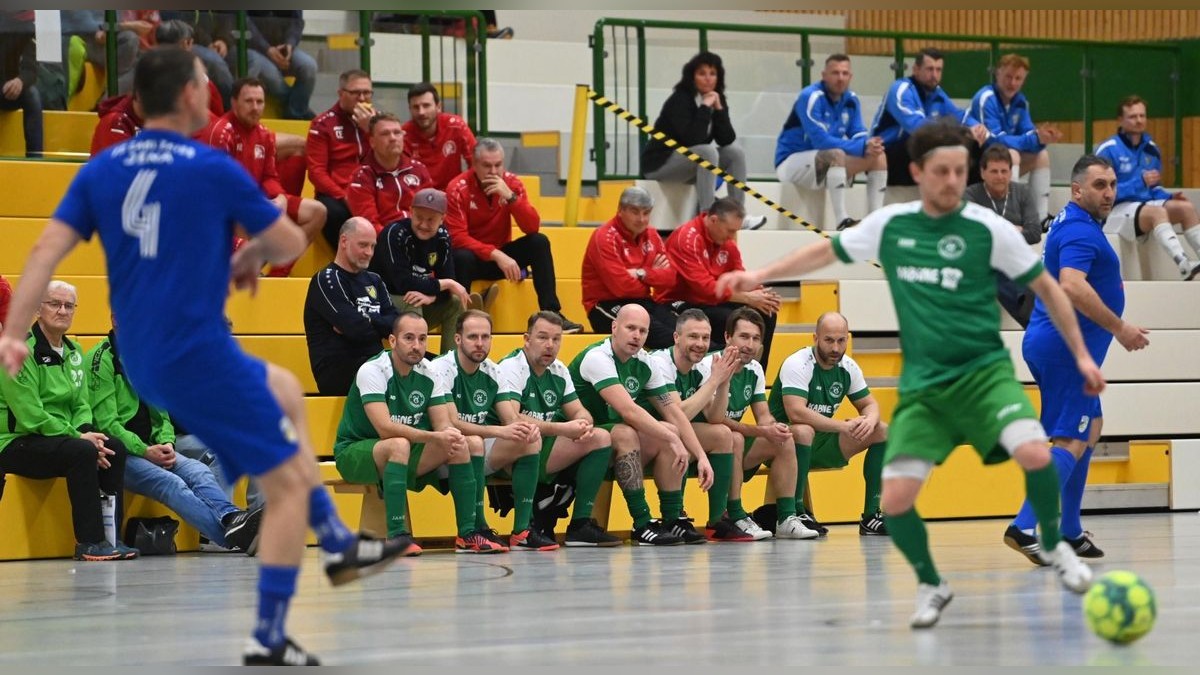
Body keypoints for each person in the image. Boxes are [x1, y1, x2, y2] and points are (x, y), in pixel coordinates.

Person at [0, 49, 411, 665]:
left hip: (141, 347)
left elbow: (42, 254)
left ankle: (318, 564)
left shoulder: (104, 168)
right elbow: (289, 240)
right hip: (189, 343)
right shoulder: (208, 166)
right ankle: (312, 576)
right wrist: (269, 243)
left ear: (137, 103)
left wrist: (12, 333)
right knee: (283, 468)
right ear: (194, 97)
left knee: (286, 402)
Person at [716, 119, 1100, 629]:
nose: (950, 180)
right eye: (941, 170)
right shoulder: (892, 224)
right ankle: (932, 583)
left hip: (984, 373)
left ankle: (1055, 546)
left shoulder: (989, 230)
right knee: (896, 501)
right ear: (918, 171)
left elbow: (1049, 290)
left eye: (960, 171)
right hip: (926, 385)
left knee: (1035, 451)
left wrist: (1082, 355)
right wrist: (759, 276)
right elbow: (826, 249)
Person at [1005, 155, 1150, 566]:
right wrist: (1120, 328)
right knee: (1071, 436)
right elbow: (1072, 285)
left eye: (1112, 185)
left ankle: (1069, 530)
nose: (1109, 193)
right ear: (1077, 189)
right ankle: (1024, 525)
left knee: (1092, 426)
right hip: (1066, 351)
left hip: (1060, 347)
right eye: (1100, 185)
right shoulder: (1080, 232)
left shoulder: (1073, 223)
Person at [87, 322, 265, 554]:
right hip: (119, 454)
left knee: (199, 471)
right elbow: (107, 424)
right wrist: (144, 450)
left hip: (153, 447)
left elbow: (162, 416)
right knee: (173, 484)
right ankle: (235, 537)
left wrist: (167, 443)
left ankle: (234, 520)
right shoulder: (101, 360)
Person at [0, 280, 137, 561]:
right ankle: (89, 542)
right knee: (82, 451)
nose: (62, 311)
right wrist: (77, 436)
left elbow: (81, 404)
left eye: (68, 305)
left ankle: (112, 538)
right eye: (54, 304)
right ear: (38, 308)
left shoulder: (74, 352)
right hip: (16, 442)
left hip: (62, 438)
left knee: (113, 447)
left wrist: (87, 431)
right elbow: (30, 415)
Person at [568, 304, 715, 546]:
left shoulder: (645, 362)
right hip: (577, 442)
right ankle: (642, 523)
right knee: (629, 433)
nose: (637, 336)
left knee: (670, 429)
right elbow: (629, 411)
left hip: (609, 442)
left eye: (643, 331)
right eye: (631, 328)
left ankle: (672, 519)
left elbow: (673, 412)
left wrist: (700, 455)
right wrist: (673, 440)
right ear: (614, 328)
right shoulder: (598, 357)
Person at [332, 311, 475, 555]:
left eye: (422, 339)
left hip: (405, 450)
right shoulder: (373, 370)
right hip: (356, 449)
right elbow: (385, 428)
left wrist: (448, 434)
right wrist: (433, 437)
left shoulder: (430, 371)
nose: (416, 346)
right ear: (392, 341)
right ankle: (397, 536)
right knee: (398, 444)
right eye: (409, 338)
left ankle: (468, 534)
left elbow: (442, 423)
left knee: (461, 443)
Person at [429, 309, 559, 551]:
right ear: (458, 339)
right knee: (474, 441)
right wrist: (500, 432)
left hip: (471, 448)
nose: (480, 343)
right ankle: (475, 528)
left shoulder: (493, 371)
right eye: (472, 337)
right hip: (438, 452)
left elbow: (509, 416)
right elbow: (452, 423)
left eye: (485, 337)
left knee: (529, 439)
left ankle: (522, 530)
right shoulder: (441, 368)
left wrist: (523, 428)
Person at [496, 311, 620, 546]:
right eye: (542, 338)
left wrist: (583, 423)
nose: (550, 345)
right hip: (508, 450)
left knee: (601, 437)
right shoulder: (512, 366)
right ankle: (530, 522)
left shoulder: (559, 370)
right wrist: (564, 429)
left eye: (556, 339)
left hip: (542, 446)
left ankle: (580, 524)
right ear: (526, 339)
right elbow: (512, 418)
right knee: (528, 436)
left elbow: (580, 411)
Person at [768, 312, 890, 538]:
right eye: (829, 340)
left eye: (841, 340)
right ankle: (797, 512)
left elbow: (869, 403)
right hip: (781, 443)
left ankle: (871, 515)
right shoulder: (798, 363)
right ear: (815, 338)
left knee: (882, 430)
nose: (835, 348)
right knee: (804, 430)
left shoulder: (848, 366)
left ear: (847, 339)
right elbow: (796, 412)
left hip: (821, 441)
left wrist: (869, 419)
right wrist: (842, 426)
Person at [445, 138, 583, 331]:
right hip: (472, 261)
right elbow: (457, 237)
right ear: (474, 165)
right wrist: (497, 254)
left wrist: (511, 198)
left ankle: (552, 315)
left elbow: (532, 227)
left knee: (539, 242)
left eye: (498, 165)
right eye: (486, 166)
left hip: (501, 260)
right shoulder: (457, 188)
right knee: (461, 256)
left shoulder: (511, 184)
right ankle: (460, 320)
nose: (493, 172)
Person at [206, 77, 326, 275]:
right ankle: (247, 269)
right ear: (234, 102)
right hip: (230, 205)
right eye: (249, 101)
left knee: (317, 212)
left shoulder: (264, 135)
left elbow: (269, 176)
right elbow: (219, 186)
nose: (255, 107)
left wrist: (279, 198)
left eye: (260, 102)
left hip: (257, 200)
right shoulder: (222, 132)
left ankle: (277, 274)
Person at [645, 309, 745, 542]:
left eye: (705, 338)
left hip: (672, 437)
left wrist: (723, 383)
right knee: (675, 432)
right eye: (693, 337)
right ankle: (673, 516)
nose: (700, 344)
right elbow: (676, 414)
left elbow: (715, 418)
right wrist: (713, 381)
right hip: (648, 438)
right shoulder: (660, 362)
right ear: (676, 338)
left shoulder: (698, 367)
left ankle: (718, 520)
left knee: (723, 434)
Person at [701, 307, 797, 541]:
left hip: (731, 447)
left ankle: (786, 518)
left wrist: (773, 427)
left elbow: (762, 414)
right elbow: (715, 418)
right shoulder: (708, 365)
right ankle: (735, 513)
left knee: (785, 438)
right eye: (743, 337)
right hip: (703, 447)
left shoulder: (754, 369)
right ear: (727, 337)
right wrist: (761, 429)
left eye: (755, 339)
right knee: (733, 436)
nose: (749, 345)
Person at [640, 51, 765, 231]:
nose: (708, 79)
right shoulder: (680, 100)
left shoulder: (715, 99)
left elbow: (726, 138)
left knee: (734, 152)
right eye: (702, 73)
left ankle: (738, 215)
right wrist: (705, 107)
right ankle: (706, 217)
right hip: (661, 164)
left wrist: (719, 109)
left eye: (712, 74)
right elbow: (692, 138)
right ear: (692, 77)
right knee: (707, 151)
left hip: (690, 162)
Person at [655, 197, 781, 370]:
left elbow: (738, 275)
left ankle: (756, 371)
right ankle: (726, 370)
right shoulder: (687, 238)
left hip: (713, 299)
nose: (732, 237)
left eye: (735, 232)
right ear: (713, 220)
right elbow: (704, 289)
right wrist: (747, 298)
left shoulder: (726, 241)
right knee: (732, 318)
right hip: (679, 300)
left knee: (767, 312)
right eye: (729, 231)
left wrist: (760, 293)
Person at [775, 53, 887, 230]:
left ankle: (876, 222)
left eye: (844, 73)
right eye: (835, 73)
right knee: (836, 154)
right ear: (824, 75)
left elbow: (858, 133)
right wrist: (861, 146)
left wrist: (870, 145)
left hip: (824, 164)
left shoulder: (851, 99)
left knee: (879, 157)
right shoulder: (810, 96)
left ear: (850, 76)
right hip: (791, 162)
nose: (840, 78)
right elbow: (821, 141)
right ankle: (842, 220)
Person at [1095, 95, 1200, 280]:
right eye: (1133, 116)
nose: (1139, 121)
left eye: (1142, 116)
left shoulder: (1151, 149)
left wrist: (1168, 197)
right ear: (1120, 120)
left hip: (1144, 207)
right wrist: (1139, 182)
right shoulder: (1108, 149)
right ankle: (1184, 265)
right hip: (1115, 211)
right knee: (1156, 213)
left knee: (1185, 208)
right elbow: (1101, 193)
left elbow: (1153, 189)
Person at [304, 217, 400, 396]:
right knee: (403, 369)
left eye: (372, 246)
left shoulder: (374, 280)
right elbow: (355, 329)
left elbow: (395, 325)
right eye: (363, 245)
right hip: (337, 369)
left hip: (375, 360)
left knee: (432, 365)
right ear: (344, 241)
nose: (369, 252)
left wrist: (366, 320)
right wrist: (377, 326)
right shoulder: (327, 279)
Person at [870, 47, 990, 187]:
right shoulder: (901, 89)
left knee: (975, 145)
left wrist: (976, 128)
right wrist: (962, 131)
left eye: (938, 70)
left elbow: (960, 115)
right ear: (916, 70)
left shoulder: (937, 93)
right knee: (927, 141)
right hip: (889, 150)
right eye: (930, 69)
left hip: (917, 150)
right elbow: (917, 127)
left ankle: (970, 196)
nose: (934, 75)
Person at [369, 187, 470, 350]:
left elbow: (447, 281)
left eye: (430, 220)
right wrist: (447, 284)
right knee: (412, 301)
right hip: (379, 303)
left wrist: (433, 298)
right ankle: (414, 366)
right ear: (410, 212)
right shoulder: (395, 234)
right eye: (419, 217)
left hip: (411, 300)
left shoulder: (442, 237)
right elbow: (403, 283)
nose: (423, 224)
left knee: (455, 303)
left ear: (442, 218)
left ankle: (450, 367)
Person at [581, 186, 677, 348]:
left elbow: (670, 279)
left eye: (646, 213)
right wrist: (653, 274)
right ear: (620, 210)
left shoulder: (652, 235)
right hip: (605, 304)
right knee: (670, 338)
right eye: (635, 212)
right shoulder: (604, 236)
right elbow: (621, 288)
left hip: (644, 301)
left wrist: (641, 273)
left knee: (685, 331)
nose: (641, 219)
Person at [969, 53, 1060, 224]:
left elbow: (1028, 133)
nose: (1013, 83)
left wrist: (1041, 138)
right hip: (976, 166)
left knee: (1042, 156)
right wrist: (1034, 139)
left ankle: (1040, 218)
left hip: (1003, 162)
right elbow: (994, 141)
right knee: (1011, 155)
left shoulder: (1020, 102)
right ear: (997, 74)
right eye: (1008, 77)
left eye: (1018, 78)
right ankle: (1010, 216)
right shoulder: (985, 98)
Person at [965, 144, 1042, 326]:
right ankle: (1030, 317)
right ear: (982, 173)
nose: (1000, 176)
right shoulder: (971, 195)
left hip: (1016, 257)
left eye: (1004, 171)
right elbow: (974, 234)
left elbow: (1035, 233)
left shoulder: (1022, 192)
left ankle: (1032, 313)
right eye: (994, 171)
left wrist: (995, 231)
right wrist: (1011, 230)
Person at [308, 69, 374, 247]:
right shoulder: (323, 124)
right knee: (334, 213)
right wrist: (343, 195)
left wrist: (370, 131)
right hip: (337, 194)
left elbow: (391, 159)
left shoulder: (378, 122)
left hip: (371, 189)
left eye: (366, 92)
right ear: (341, 94)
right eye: (355, 93)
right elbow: (316, 172)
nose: (361, 98)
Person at [347, 112, 433, 234]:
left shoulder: (418, 169)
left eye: (397, 133)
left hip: (420, 238)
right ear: (372, 142)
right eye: (385, 134)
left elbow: (431, 213)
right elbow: (370, 225)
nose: (393, 138)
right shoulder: (362, 177)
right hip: (385, 242)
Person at [242, 11, 315, 121]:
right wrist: (267, 49)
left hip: (282, 46)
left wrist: (289, 43)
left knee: (309, 66)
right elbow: (244, 22)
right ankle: (298, 108)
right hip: (253, 47)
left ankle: (294, 113)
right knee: (274, 79)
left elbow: (296, 21)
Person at [403, 82, 477, 190]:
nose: (421, 112)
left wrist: (466, 189)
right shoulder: (403, 135)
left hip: (453, 195)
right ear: (410, 109)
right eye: (416, 107)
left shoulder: (455, 126)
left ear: (438, 107)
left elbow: (476, 162)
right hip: (419, 199)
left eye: (426, 105)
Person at [155, 19, 224, 116]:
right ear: (185, 44)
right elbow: (216, 110)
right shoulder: (196, 75)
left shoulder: (146, 71)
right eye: (192, 43)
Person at [0, 12, 43, 158]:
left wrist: (20, 81)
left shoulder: (27, 28)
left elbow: (31, 68)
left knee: (32, 95)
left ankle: (35, 159)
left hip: (9, 89)